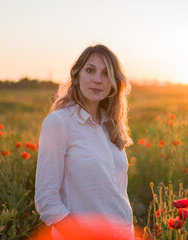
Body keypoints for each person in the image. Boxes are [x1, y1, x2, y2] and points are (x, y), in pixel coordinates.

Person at [34, 44, 134, 239]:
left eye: (106, 73)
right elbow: (47, 200)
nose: (97, 79)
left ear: (114, 83)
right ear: (77, 75)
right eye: (90, 70)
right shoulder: (59, 123)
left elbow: (116, 194)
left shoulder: (110, 126)